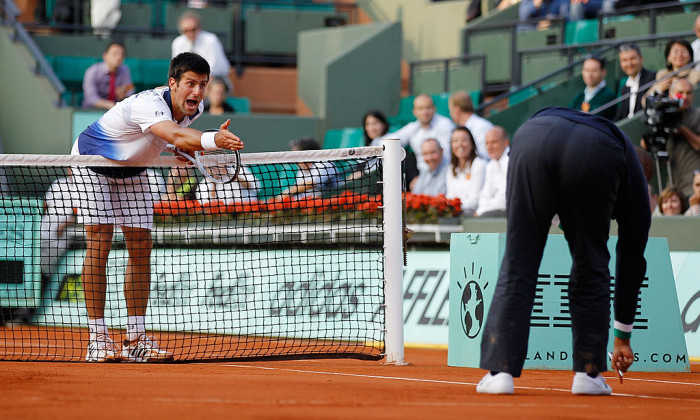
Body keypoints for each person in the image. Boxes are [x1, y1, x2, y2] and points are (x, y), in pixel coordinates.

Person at [71, 52, 244, 363]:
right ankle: (98, 338)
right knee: (100, 243)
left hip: (134, 170)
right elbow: (174, 132)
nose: (197, 92)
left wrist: (180, 146)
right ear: (173, 83)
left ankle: (135, 339)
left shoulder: (196, 108)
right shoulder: (148, 103)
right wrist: (212, 139)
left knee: (141, 247)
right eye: (191, 84)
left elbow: (172, 137)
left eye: (203, 85)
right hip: (92, 164)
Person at [476, 107, 651, 396]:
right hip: (593, 151)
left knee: (519, 259)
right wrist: (622, 337)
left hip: (532, 137)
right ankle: (589, 374)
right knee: (591, 263)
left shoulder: (619, 156)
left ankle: (499, 372)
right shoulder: (632, 182)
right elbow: (632, 261)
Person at [374, 94, 454, 189]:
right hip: (419, 173)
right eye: (420, 108)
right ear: (414, 112)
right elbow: (391, 139)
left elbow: (444, 157)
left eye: (428, 107)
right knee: (399, 155)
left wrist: (421, 179)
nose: (425, 112)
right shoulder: (413, 127)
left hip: (441, 172)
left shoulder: (445, 124)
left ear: (434, 109)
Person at [643, 79, 700, 198]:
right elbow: (646, 145)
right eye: (681, 92)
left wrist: (683, 130)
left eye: (689, 93)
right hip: (672, 186)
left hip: (693, 184)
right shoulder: (662, 114)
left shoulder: (697, 114)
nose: (685, 97)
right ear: (671, 94)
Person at [171, 11, 232, 92]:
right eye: (186, 30)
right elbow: (177, 68)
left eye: (193, 29)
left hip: (217, 78)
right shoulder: (178, 42)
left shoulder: (210, 40)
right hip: (190, 80)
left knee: (206, 87)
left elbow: (213, 70)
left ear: (199, 28)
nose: (190, 33)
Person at [274, 137, 339, 201]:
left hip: (332, 200)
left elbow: (312, 183)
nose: (294, 159)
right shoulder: (302, 169)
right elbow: (299, 189)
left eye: (296, 155)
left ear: (307, 155)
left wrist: (287, 192)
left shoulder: (324, 163)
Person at [446, 126, 487, 215]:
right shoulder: (451, 167)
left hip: (473, 215)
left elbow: (475, 200)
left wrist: (453, 207)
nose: (460, 144)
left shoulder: (479, 164)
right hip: (456, 213)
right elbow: (450, 196)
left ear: (472, 144)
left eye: (464, 140)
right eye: (455, 141)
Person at [82, 42, 134, 110]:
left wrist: (125, 90)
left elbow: (131, 87)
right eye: (114, 54)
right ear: (105, 56)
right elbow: (90, 98)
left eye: (122, 55)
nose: (119, 57)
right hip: (91, 111)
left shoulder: (125, 69)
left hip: (116, 113)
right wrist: (109, 105)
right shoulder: (92, 71)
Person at [614, 44, 656, 121]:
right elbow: (621, 115)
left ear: (641, 59)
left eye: (632, 58)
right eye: (624, 60)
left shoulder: (652, 79)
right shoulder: (625, 87)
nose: (629, 64)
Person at [475, 127, 509, 217]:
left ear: (506, 143)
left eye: (494, 142)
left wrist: (480, 211)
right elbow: (484, 197)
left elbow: (503, 201)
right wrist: (481, 210)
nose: (489, 147)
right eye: (487, 143)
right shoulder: (490, 165)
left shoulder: (511, 162)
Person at [568, 56, 617, 120]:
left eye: (593, 71)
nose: (589, 75)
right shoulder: (580, 96)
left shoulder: (608, 96)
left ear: (603, 72)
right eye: (586, 70)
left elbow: (592, 118)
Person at [448, 90, 493, 160]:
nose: (450, 114)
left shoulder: (482, 126)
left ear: (457, 109)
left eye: (450, 110)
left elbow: (485, 155)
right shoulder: (459, 128)